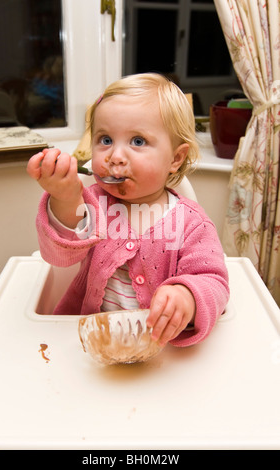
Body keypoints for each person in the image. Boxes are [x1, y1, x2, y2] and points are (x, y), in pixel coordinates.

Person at [27, 73, 229, 347]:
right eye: (106, 140)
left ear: (175, 158)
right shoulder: (92, 204)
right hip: (88, 345)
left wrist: (187, 296)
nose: (115, 157)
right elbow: (59, 255)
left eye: (137, 141)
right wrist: (64, 197)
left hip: (160, 350)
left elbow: (214, 281)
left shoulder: (192, 224)